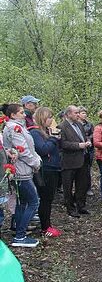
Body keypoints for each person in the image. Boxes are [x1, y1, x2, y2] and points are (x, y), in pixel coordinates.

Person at [1, 103, 42, 247]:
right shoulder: (13, 128)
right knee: (34, 201)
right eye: (21, 112)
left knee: (22, 203)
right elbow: (22, 150)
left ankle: (19, 232)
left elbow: (28, 146)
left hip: (23, 169)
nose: (24, 115)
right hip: (20, 171)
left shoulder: (18, 126)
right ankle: (20, 235)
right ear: (12, 115)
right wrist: (35, 162)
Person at [29, 107, 63, 237]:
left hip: (53, 167)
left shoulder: (46, 132)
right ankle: (45, 227)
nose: (51, 120)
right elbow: (43, 150)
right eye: (49, 117)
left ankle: (47, 224)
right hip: (45, 170)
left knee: (49, 199)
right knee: (46, 199)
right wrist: (54, 139)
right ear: (42, 118)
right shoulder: (35, 133)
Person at [58, 105, 92, 218]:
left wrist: (87, 142)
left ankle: (81, 206)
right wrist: (79, 145)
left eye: (78, 112)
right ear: (68, 114)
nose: (78, 115)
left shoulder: (79, 125)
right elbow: (62, 144)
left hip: (82, 159)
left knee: (82, 184)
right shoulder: (62, 127)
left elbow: (84, 137)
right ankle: (70, 208)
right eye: (75, 113)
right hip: (69, 161)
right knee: (68, 186)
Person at [78, 107, 95, 196]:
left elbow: (93, 133)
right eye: (82, 113)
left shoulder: (89, 124)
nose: (84, 115)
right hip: (79, 148)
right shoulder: (76, 124)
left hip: (89, 149)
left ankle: (88, 188)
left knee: (88, 169)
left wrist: (88, 138)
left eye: (85, 113)